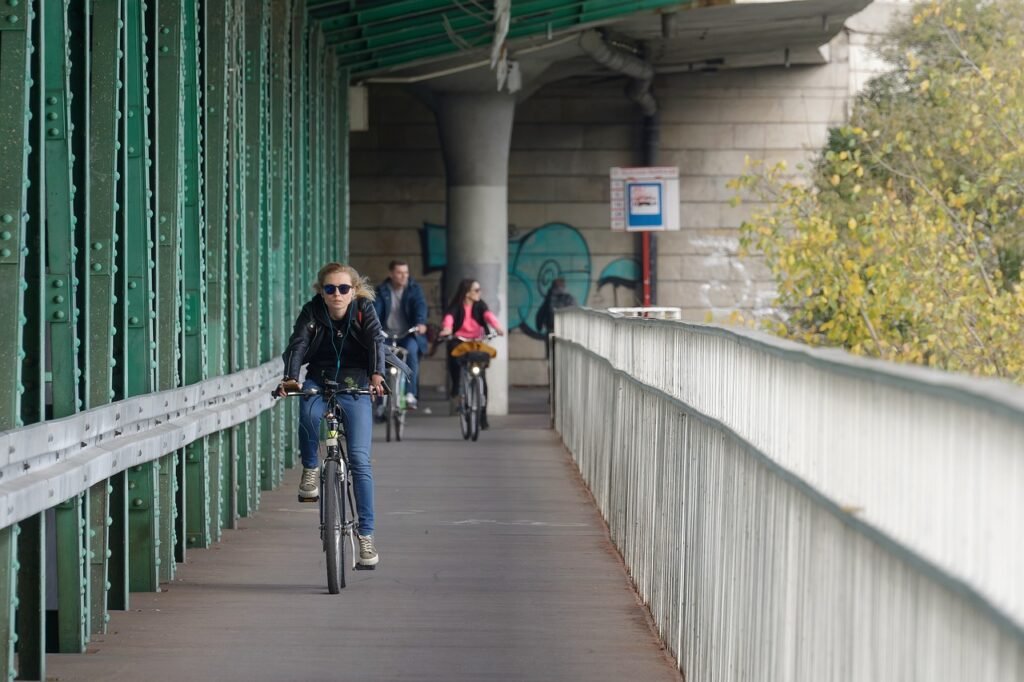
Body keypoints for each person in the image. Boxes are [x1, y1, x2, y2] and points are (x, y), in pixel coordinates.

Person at [277, 263, 386, 568]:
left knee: (361, 462)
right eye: (329, 289)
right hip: (319, 379)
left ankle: (366, 537)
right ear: (321, 292)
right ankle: (311, 468)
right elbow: (297, 343)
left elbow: (377, 340)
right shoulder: (312, 311)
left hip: (357, 382)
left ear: (354, 290)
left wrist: (377, 375)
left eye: (343, 289)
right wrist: (290, 377)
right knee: (309, 415)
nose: (336, 294)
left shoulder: (364, 310)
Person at [438, 278, 505, 429]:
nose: (479, 293)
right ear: (467, 293)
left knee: (481, 376)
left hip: (476, 341)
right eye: (476, 290)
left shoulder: (480, 305)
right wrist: (447, 329)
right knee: (454, 355)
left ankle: (483, 415)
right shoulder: (456, 306)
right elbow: (449, 319)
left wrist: (498, 327)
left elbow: (489, 316)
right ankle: (456, 385)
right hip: (460, 340)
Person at [373, 260, 428, 411]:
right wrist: (373, 327)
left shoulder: (414, 289)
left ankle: (410, 394)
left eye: (406, 272)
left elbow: (420, 306)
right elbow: (375, 310)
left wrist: (421, 323)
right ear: (391, 274)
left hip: (407, 334)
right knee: (378, 360)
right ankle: (380, 402)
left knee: (411, 351)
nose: (404, 276)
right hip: (386, 335)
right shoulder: (382, 290)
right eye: (399, 272)